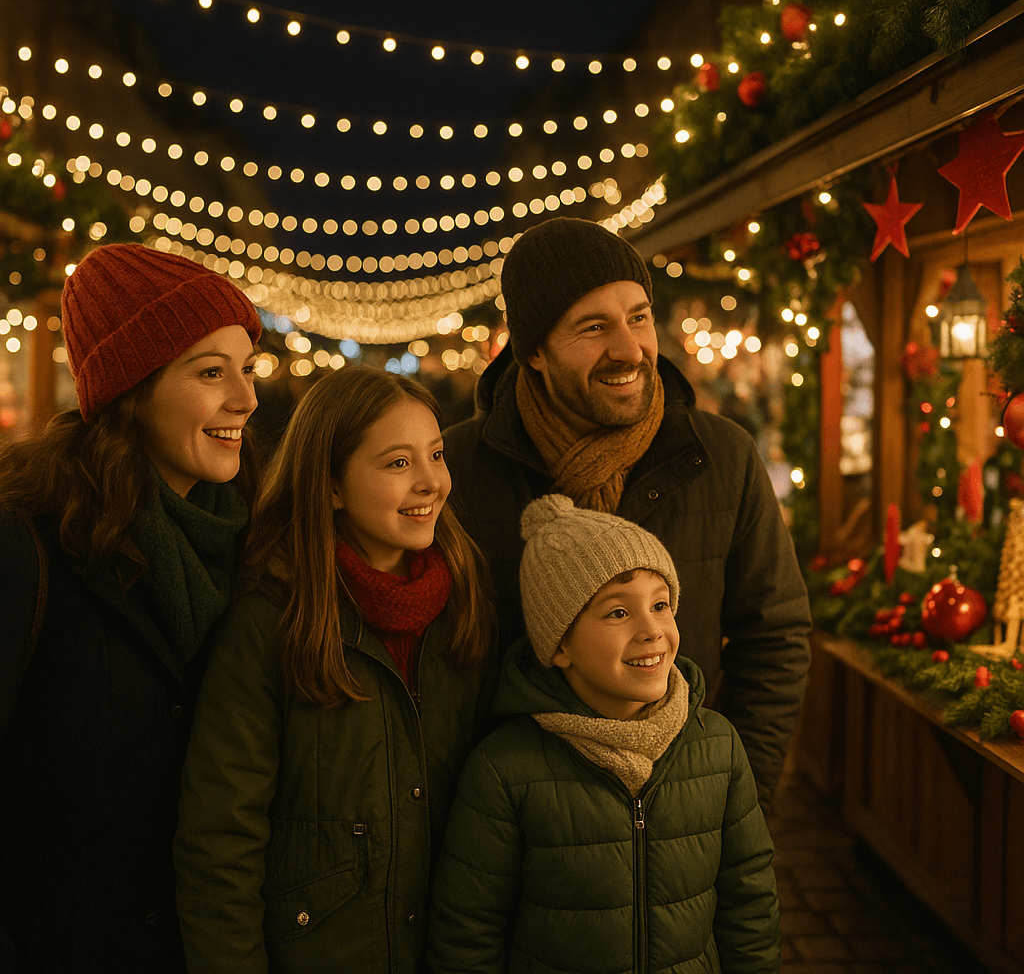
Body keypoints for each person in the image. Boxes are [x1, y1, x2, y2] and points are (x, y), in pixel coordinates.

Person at [443, 216, 811, 809]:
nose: (628, 349)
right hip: (514, 824)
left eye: (638, 317)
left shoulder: (720, 455)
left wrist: (739, 795)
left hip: (685, 816)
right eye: (594, 327)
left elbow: (774, 636)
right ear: (533, 351)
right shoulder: (458, 467)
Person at [174, 366, 495, 974]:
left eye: (436, 454)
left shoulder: (463, 604)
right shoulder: (271, 619)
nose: (431, 482)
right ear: (331, 486)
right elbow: (221, 841)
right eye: (398, 463)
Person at [0, 243, 262, 973]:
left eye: (246, 369)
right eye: (211, 372)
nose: (244, 398)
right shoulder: (29, 546)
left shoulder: (248, 544)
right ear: (132, 386)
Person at [427, 494, 780, 974]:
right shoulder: (504, 770)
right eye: (618, 613)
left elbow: (750, 905)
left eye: (660, 604)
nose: (652, 630)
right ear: (561, 645)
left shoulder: (717, 744)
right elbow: (467, 933)